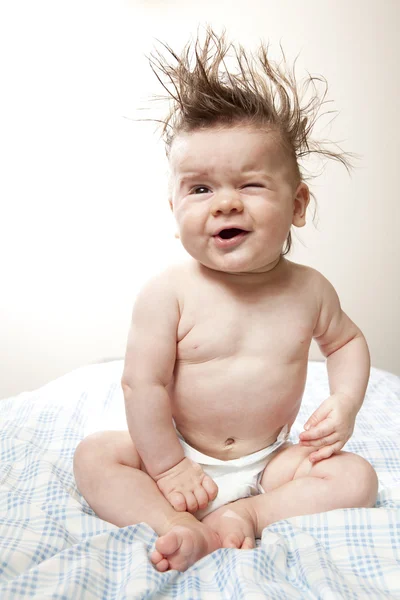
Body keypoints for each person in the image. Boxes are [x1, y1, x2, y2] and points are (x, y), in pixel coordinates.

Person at [73, 28, 378, 573]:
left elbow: (347, 342)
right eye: (200, 189)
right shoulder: (168, 293)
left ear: (298, 203)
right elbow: (143, 384)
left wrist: (346, 402)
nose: (225, 204)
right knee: (95, 456)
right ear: (174, 209)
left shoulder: (310, 289)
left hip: (269, 462)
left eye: (252, 185)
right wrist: (168, 469)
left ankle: (252, 515)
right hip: (180, 453)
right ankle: (177, 524)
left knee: (356, 478)